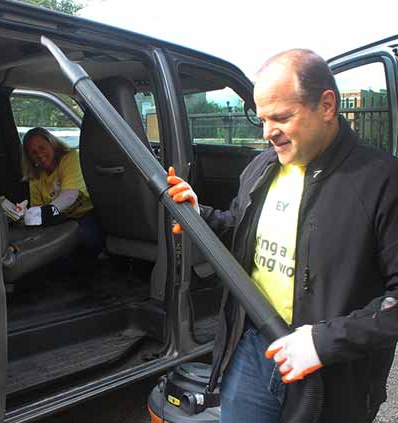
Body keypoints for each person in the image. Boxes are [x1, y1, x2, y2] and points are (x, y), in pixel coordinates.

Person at [167, 49, 398, 422]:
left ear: (326, 106)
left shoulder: (383, 180)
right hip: (253, 348)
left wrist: (323, 343)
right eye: (260, 119)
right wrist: (200, 217)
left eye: (281, 117)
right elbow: (240, 234)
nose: (266, 132)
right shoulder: (261, 168)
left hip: (333, 372)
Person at [20, 127, 103, 254]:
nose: (40, 155)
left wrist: (46, 211)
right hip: (59, 222)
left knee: (83, 241)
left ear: (52, 143)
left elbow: (70, 195)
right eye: (34, 152)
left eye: (42, 148)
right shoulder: (35, 177)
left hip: (85, 216)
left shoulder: (70, 158)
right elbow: (38, 212)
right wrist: (24, 215)